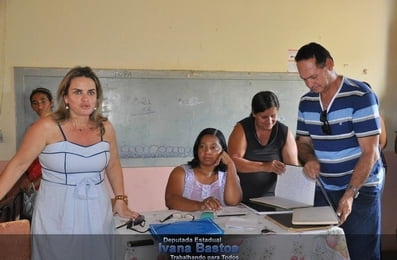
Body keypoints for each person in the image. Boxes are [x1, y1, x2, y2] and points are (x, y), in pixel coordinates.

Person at [0, 66, 140, 259]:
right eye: (78, 92)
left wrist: (121, 200)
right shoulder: (45, 127)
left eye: (91, 92)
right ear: (65, 97)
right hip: (56, 210)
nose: (86, 99)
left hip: (96, 208)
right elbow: (18, 165)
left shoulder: (105, 127)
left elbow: (113, 163)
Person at [294, 42, 384, 260]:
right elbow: (302, 144)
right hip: (325, 189)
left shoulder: (360, 96)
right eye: (304, 79)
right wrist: (309, 159)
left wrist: (350, 193)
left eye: (313, 77)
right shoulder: (306, 103)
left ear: (329, 65)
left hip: (360, 190)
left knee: (361, 251)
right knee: (323, 250)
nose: (309, 84)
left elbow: (371, 152)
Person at [227, 91, 298, 202]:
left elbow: (292, 170)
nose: (269, 121)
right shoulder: (242, 128)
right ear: (254, 114)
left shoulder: (284, 132)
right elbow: (233, 162)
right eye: (264, 117)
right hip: (241, 197)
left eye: (273, 116)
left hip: (274, 199)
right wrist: (264, 166)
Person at [165, 128, 242, 211]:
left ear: (223, 151)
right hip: (187, 222)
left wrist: (231, 165)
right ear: (197, 150)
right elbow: (171, 200)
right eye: (202, 146)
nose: (207, 151)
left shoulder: (228, 174)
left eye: (213, 147)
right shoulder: (181, 172)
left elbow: (233, 202)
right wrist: (200, 205)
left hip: (219, 223)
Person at [18, 88, 54, 221]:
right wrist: (26, 178)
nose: (39, 106)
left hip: (49, 184)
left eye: (43, 101)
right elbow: (26, 158)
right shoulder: (32, 128)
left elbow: (59, 163)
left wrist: (37, 181)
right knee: (35, 222)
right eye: (35, 102)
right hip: (31, 185)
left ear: (51, 102)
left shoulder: (60, 127)